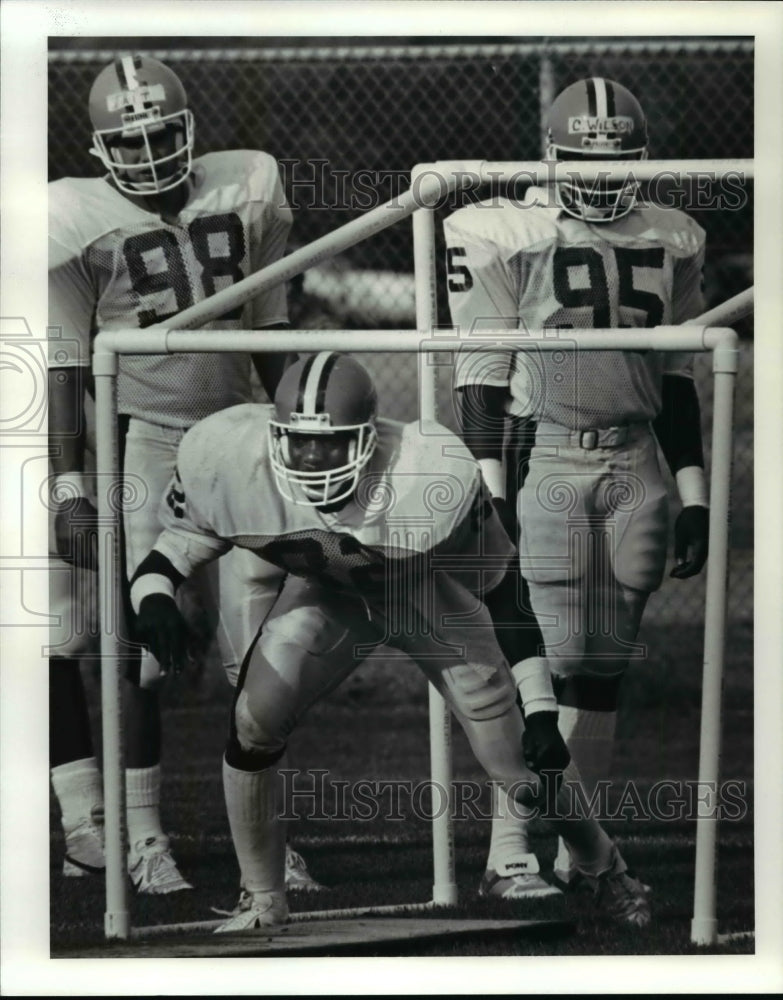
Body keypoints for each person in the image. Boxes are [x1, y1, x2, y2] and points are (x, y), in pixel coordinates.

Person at [129, 350, 652, 931]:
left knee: (522, 771)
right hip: (329, 598)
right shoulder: (226, 459)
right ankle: (262, 897)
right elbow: (170, 552)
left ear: (368, 440)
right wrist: (153, 599)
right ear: (274, 437)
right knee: (253, 719)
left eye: (329, 444)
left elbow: (506, 592)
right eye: (298, 443)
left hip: (421, 596)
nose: (311, 458)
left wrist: (541, 709)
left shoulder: (426, 476)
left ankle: (602, 865)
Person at [47, 52, 321, 894]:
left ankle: (265, 840)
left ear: (189, 128)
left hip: (238, 428)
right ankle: (138, 835)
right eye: (131, 140)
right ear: (100, 150)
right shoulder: (71, 218)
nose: (150, 153)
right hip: (140, 438)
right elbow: (63, 362)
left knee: (260, 643)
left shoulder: (247, 186)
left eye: (163, 133)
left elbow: (275, 330)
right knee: (140, 646)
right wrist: (70, 487)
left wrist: (301, 438)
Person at [444, 76, 710, 896]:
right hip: (549, 452)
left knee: (602, 661)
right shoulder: (506, 231)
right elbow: (483, 374)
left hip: (635, 464)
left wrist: (693, 489)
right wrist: (490, 483)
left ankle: (579, 850)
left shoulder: (673, 235)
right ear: (549, 159)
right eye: (582, 162)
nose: (599, 179)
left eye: (617, 161)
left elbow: (672, 375)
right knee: (545, 658)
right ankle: (508, 850)